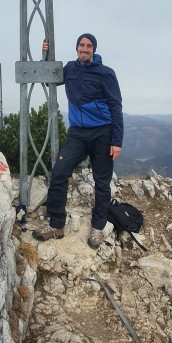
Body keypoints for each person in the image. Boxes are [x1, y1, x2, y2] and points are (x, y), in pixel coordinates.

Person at [33, 33, 123, 249]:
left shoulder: (106, 73)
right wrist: (45, 56)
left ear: (94, 50)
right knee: (59, 172)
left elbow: (115, 105)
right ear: (76, 49)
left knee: (102, 181)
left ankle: (98, 227)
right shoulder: (70, 69)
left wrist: (117, 140)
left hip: (102, 132)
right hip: (78, 133)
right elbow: (49, 78)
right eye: (82, 45)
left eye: (89, 46)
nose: (85, 49)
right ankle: (56, 225)